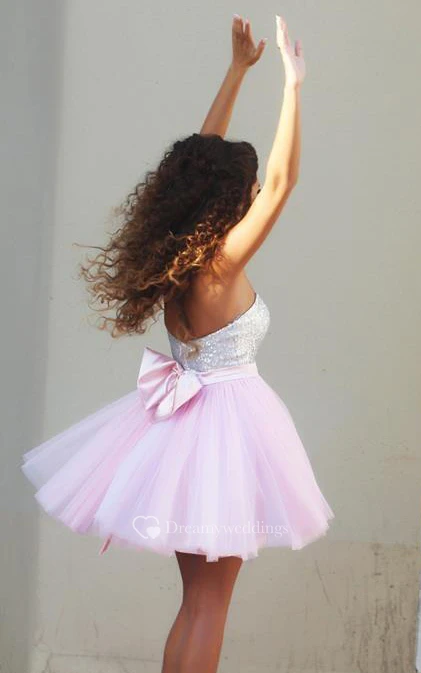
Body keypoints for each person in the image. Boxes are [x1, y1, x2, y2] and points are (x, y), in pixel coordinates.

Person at [20, 14, 334, 673]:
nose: (255, 193)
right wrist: (293, 86)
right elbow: (283, 183)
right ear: (229, 199)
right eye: (246, 189)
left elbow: (195, 159)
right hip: (226, 432)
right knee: (210, 605)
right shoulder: (221, 263)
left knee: (196, 602)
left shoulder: (176, 263)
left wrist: (236, 73)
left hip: (186, 431)